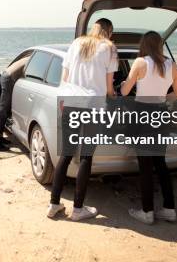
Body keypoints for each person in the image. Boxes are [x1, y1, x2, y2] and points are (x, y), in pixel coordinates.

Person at [47, 18, 118, 221]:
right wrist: (114, 96)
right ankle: (78, 209)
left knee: (66, 155)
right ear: (109, 32)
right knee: (86, 157)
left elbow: (65, 78)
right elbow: (109, 86)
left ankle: (54, 204)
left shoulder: (76, 43)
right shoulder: (109, 48)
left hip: (70, 103)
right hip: (92, 107)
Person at [120, 31, 177, 225]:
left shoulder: (140, 63)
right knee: (160, 164)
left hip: (142, 114)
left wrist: (125, 84)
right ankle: (169, 209)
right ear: (159, 45)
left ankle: (147, 212)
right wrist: (163, 98)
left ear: (144, 45)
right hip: (160, 114)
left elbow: (124, 91)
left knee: (145, 166)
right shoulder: (171, 65)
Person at [0, 56, 30, 151]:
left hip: (6, 76)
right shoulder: (34, 59)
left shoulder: (29, 56)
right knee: (3, 110)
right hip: (8, 79)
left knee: (5, 111)